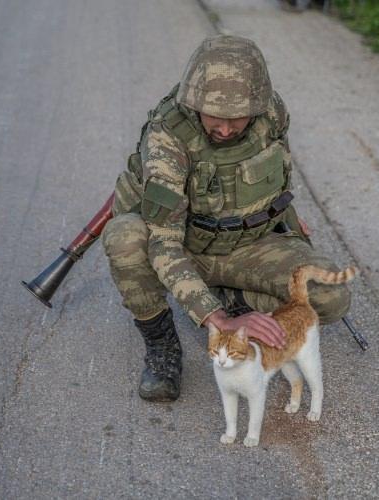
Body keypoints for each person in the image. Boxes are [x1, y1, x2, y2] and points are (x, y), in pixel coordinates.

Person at [101, 35, 350, 402]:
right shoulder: (167, 136)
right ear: (195, 101)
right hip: (188, 249)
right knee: (124, 237)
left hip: (251, 245)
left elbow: (277, 176)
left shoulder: (271, 113)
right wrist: (219, 321)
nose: (226, 128)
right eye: (215, 115)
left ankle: (233, 297)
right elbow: (164, 242)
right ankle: (163, 345)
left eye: (237, 117)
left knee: (330, 296)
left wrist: (292, 224)